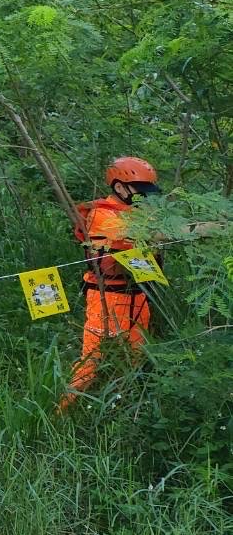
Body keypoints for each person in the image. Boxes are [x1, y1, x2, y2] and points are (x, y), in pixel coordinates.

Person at [58, 156, 161, 410]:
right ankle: (62, 412)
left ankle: (125, 405)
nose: (144, 197)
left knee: (137, 354)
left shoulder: (138, 213)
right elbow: (133, 239)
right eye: (140, 190)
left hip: (139, 293)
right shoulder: (102, 215)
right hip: (107, 296)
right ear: (119, 187)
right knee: (92, 360)